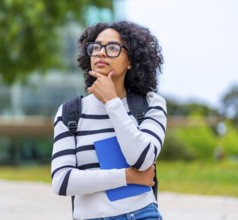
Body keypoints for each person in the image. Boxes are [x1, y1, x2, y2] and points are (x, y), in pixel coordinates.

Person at [51, 20, 167, 220]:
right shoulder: (71, 112)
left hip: (142, 215)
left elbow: (141, 159)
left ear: (131, 60)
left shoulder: (150, 104)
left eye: (113, 47)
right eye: (96, 47)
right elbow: (62, 181)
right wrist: (127, 177)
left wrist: (113, 103)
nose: (101, 53)